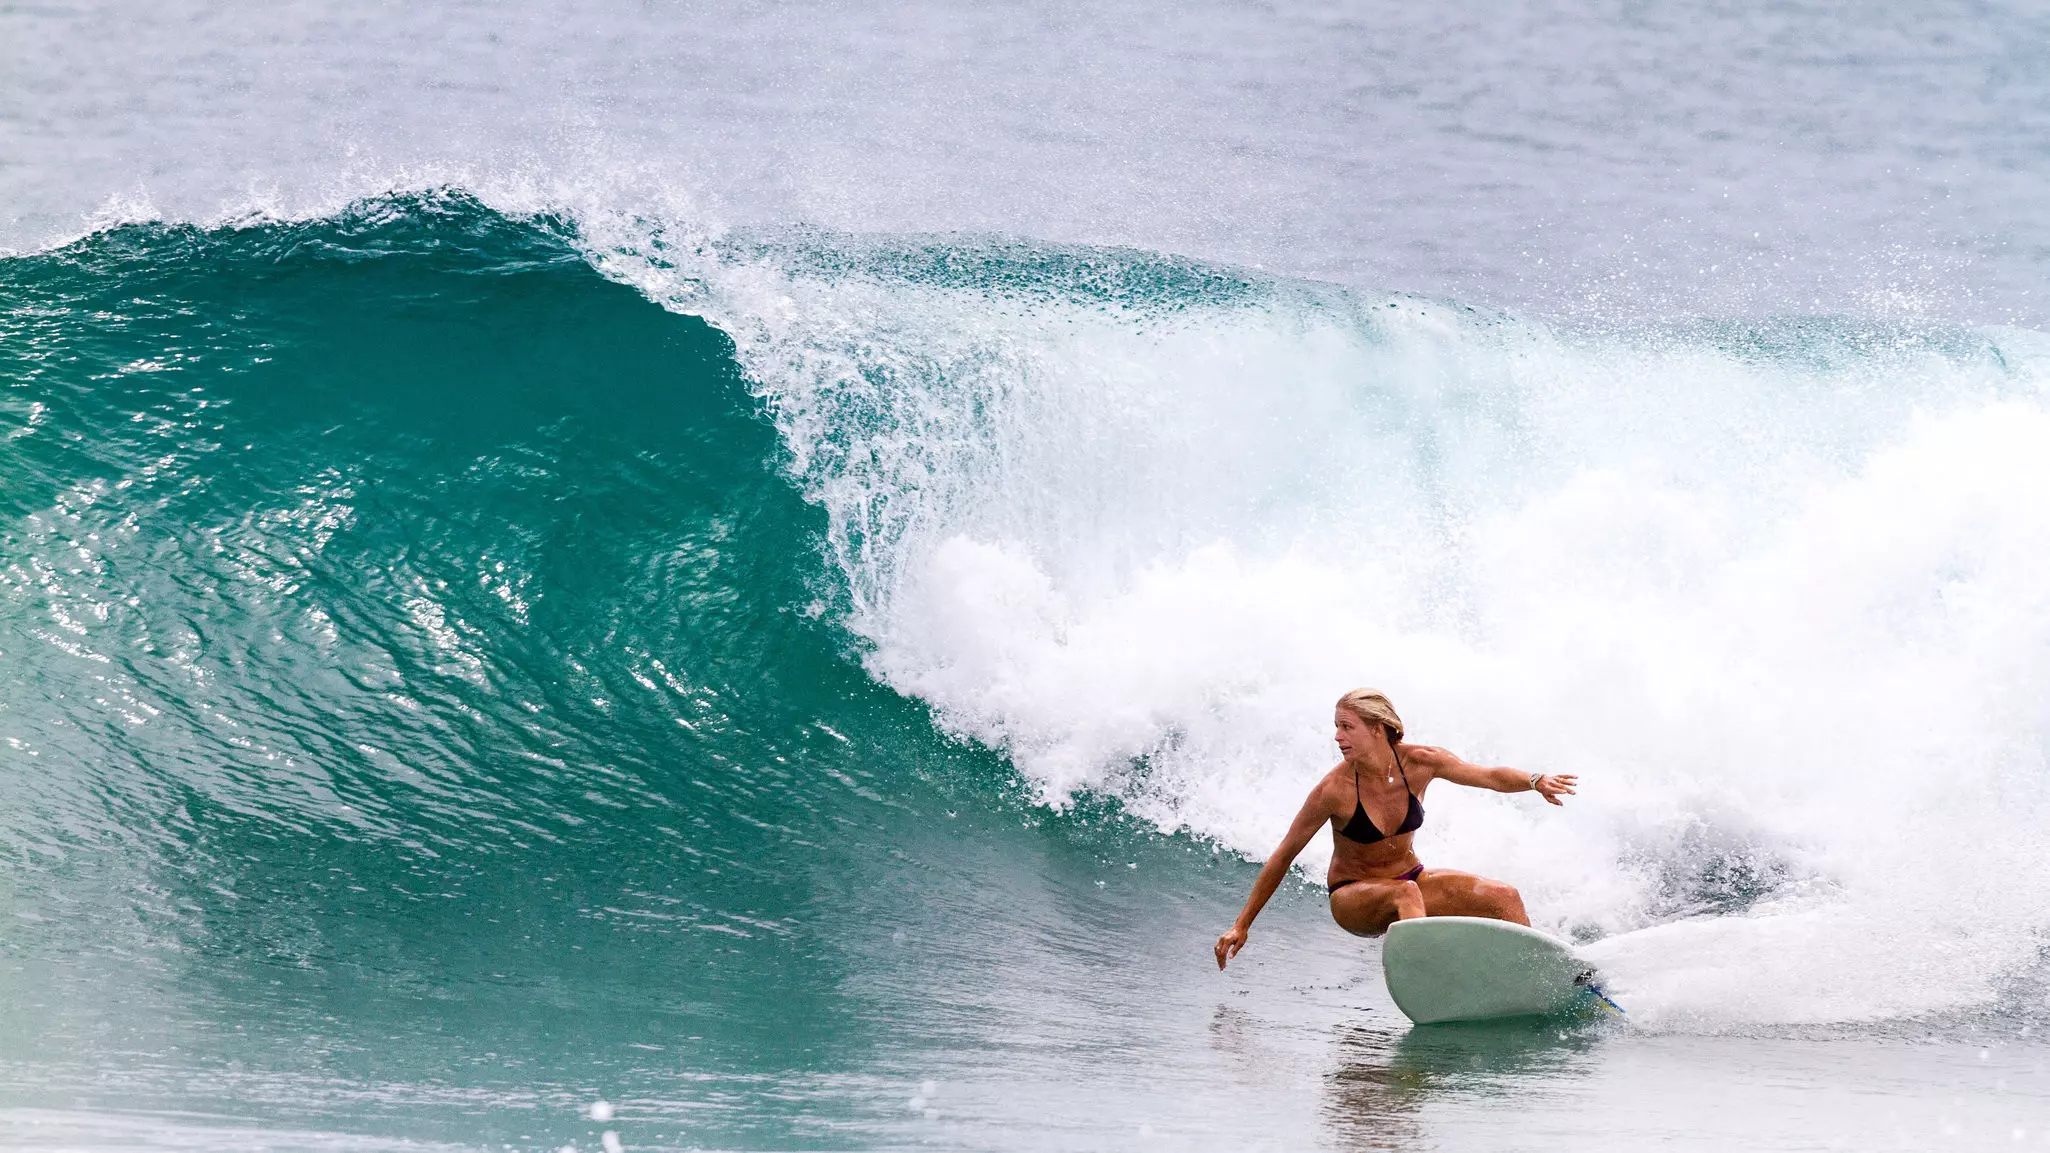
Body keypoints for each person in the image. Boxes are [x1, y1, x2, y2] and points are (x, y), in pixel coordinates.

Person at [1214, 688, 1576, 970]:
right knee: (1405, 894)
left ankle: (1538, 972)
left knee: (1503, 895)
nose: (1337, 737)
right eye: (1336, 727)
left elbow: (1489, 776)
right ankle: (1429, 978)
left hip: (1410, 880)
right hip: (1354, 897)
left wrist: (1535, 780)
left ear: (1378, 728)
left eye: (1347, 726)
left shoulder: (1421, 762)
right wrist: (1241, 925)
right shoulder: (1333, 791)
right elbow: (1283, 857)